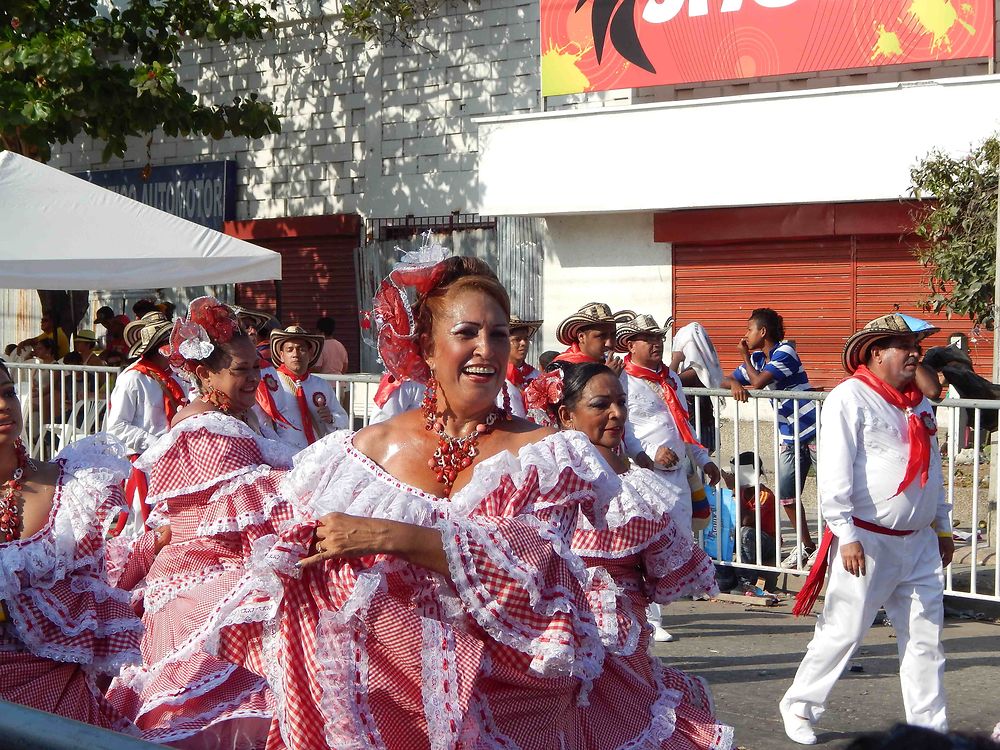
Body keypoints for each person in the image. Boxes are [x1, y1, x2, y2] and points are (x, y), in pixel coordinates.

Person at [205, 253, 629, 749]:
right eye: (467, 332)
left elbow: (532, 568)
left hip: (506, 705)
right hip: (378, 708)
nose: (486, 349)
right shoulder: (362, 452)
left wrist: (391, 536)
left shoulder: (547, 452)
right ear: (426, 348)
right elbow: (292, 559)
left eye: (496, 335)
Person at [106, 297, 297, 748]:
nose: (254, 378)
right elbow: (238, 511)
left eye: (257, 367)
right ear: (205, 372)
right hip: (199, 568)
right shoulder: (205, 429)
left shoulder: (239, 415)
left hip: (222, 556)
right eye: (241, 370)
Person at [526, 361, 733, 749]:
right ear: (567, 416)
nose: (616, 414)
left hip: (613, 642)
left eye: (621, 403)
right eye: (601, 404)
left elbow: (668, 566)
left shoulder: (633, 488)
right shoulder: (543, 485)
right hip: (558, 642)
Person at [779, 313, 954, 745]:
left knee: (926, 641)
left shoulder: (920, 404)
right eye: (904, 345)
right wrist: (846, 534)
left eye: (916, 346)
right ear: (876, 353)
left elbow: (933, 471)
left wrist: (944, 526)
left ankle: (930, 729)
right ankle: (799, 706)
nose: (915, 353)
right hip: (868, 541)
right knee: (844, 631)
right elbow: (835, 474)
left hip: (919, 543)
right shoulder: (850, 397)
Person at [0, 359, 142, 730]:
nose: (4, 404)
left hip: (58, 684)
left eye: (7, 392)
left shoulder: (73, 484)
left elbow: (90, 588)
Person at [616, 313, 721, 642]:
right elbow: (621, 427)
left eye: (659, 338)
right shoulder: (621, 379)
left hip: (676, 476)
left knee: (673, 543)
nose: (656, 344)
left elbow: (683, 425)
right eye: (648, 339)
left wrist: (704, 459)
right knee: (645, 544)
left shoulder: (671, 380)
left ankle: (656, 607)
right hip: (641, 474)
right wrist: (646, 451)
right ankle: (649, 618)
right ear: (631, 345)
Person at [721, 308, 819, 569]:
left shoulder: (785, 352)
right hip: (789, 434)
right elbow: (729, 378)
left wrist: (743, 358)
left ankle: (831, 547)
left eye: (748, 330)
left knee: (832, 492)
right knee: (787, 494)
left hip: (814, 430)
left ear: (762, 332)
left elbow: (759, 382)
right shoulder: (757, 358)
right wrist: (733, 384)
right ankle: (806, 546)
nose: (745, 335)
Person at [106, 311, 188, 530]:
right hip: (146, 466)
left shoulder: (178, 377)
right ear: (158, 346)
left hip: (177, 464)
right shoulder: (133, 378)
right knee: (141, 528)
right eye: (170, 343)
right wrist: (157, 445)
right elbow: (117, 427)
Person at [255, 325, 349, 450]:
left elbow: (343, 420)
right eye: (290, 350)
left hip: (316, 455)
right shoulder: (271, 382)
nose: (295, 354)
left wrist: (331, 418)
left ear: (310, 353)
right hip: (284, 456)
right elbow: (260, 421)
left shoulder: (321, 385)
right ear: (281, 355)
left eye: (301, 349)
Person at [721, 451, 779, 593]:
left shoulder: (765, 495)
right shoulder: (738, 492)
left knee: (745, 532)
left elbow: (746, 521)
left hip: (766, 542)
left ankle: (746, 582)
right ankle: (724, 577)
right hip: (741, 541)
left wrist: (734, 489)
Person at [670, 321, 723, 454]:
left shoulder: (695, 372)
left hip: (696, 428)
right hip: (703, 424)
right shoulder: (707, 369)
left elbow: (668, 381)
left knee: (695, 468)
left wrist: (675, 360)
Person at [553, 302, 634, 372]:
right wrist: (607, 378)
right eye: (601, 336)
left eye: (613, 335)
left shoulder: (617, 368)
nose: (609, 343)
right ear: (581, 337)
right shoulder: (562, 369)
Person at [507, 314, 544, 390]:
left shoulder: (537, 377)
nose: (523, 343)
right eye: (517, 339)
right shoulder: (495, 377)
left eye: (526, 339)